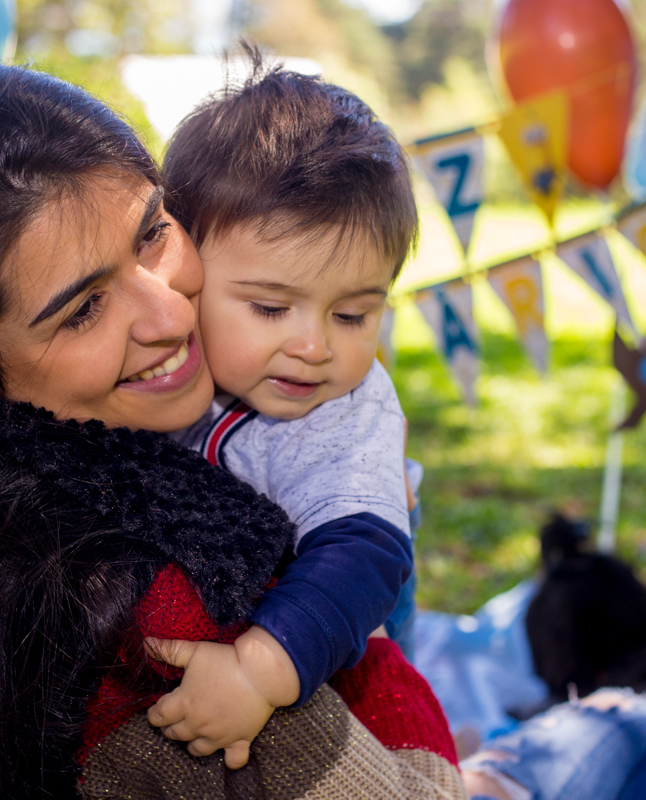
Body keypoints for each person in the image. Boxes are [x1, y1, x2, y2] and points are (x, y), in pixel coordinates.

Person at [0, 60, 464, 800]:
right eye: (83, 309)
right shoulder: (176, 602)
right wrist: (377, 665)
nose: (173, 314)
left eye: (151, 233)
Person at [141, 60, 419, 765]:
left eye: (354, 313)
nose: (315, 346)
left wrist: (256, 675)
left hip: (338, 617)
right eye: (270, 307)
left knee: (382, 731)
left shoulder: (344, 411)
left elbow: (365, 553)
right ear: (185, 270)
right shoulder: (158, 349)